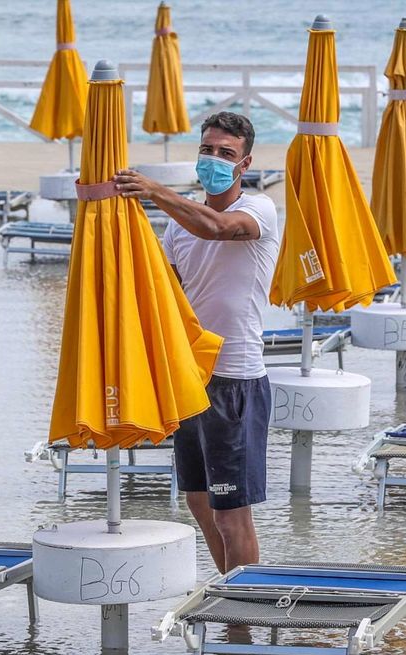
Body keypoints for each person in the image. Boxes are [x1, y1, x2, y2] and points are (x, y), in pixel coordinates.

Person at [114, 112, 279, 573]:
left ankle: (241, 619)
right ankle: (228, 588)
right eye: (207, 150)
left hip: (236, 378)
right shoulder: (177, 225)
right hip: (190, 376)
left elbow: (218, 229)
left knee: (231, 513)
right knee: (199, 500)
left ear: (243, 164)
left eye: (225, 153)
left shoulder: (257, 210)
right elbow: (166, 293)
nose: (214, 159)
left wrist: (155, 192)